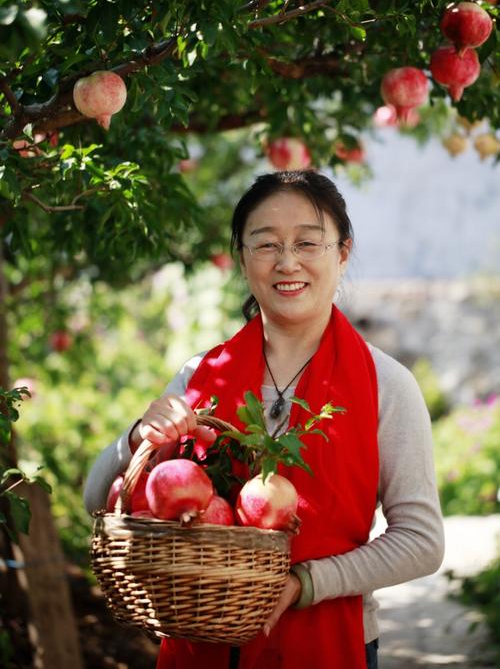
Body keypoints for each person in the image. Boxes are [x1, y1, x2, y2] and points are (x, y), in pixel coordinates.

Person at [84, 170, 445, 669]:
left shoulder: (387, 385)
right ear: (243, 258)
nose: (287, 261)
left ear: (342, 253)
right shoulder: (200, 376)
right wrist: (136, 437)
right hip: (201, 638)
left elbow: (422, 541)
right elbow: (94, 498)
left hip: (330, 639)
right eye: (266, 244)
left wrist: (305, 584)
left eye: (307, 243)